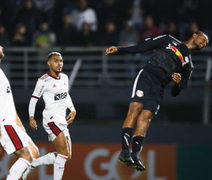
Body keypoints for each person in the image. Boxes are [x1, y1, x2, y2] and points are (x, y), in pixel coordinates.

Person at [105, 31, 209, 171]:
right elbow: (144, 47)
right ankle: (124, 151)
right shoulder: (169, 39)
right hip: (147, 76)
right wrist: (120, 49)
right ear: (195, 35)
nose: (204, 44)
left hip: (159, 88)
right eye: (203, 39)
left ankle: (135, 154)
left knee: (146, 118)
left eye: (206, 44)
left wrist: (177, 84)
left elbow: (175, 93)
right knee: (135, 108)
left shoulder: (188, 66)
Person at [23, 52, 76, 180]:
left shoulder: (64, 78)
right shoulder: (42, 81)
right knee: (63, 154)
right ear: (49, 63)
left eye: (61, 61)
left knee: (67, 156)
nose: (59, 64)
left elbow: (65, 95)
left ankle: (34, 163)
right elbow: (34, 99)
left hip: (62, 120)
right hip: (51, 120)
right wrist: (31, 117)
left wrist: (72, 109)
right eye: (56, 61)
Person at [0, 45, 39, 180]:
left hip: (12, 122)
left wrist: (19, 122)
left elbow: (7, 101)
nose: (1, 46)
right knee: (26, 156)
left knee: (35, 153)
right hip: (4, 123)